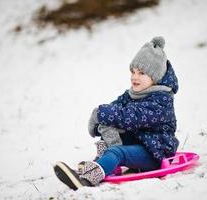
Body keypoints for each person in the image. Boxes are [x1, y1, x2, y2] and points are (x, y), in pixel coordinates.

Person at [54, 36, 180, 190]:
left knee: (116, 151)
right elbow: (115, 107)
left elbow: (132, 117)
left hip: (155, 153)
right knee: (108, 124)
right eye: (133, 71)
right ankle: (101, 163)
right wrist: (99, 118)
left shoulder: (161, 101)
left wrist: (102, 113)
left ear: (155, 78)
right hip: (138, 143)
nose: (134, 77)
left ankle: (87, 179)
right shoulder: (134, 93)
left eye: (141, 73)